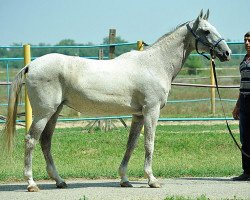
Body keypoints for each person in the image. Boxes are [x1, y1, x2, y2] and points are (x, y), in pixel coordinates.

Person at [232, 31, 250, 181]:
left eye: (249, 40)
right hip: (244, 102)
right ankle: (247, 171)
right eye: (245, 40)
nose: (247, 43)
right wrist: (237, 105)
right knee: (245, 137)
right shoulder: (243, 61)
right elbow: (241, 85)